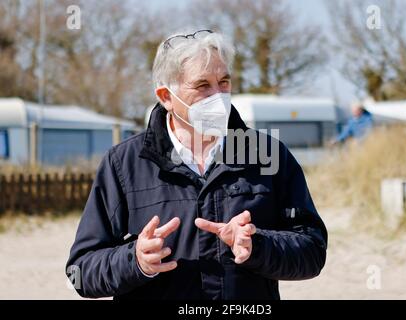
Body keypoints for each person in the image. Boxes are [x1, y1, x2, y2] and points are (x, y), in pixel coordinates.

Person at [66, 29, 327, 300]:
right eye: (203, 86)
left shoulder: (269, 155)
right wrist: (136, 261)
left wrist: (257, 245)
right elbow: (81, 271)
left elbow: (312, 251)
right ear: (166, 97)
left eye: (224, 82)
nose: (218, 96)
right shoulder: (123, 164)